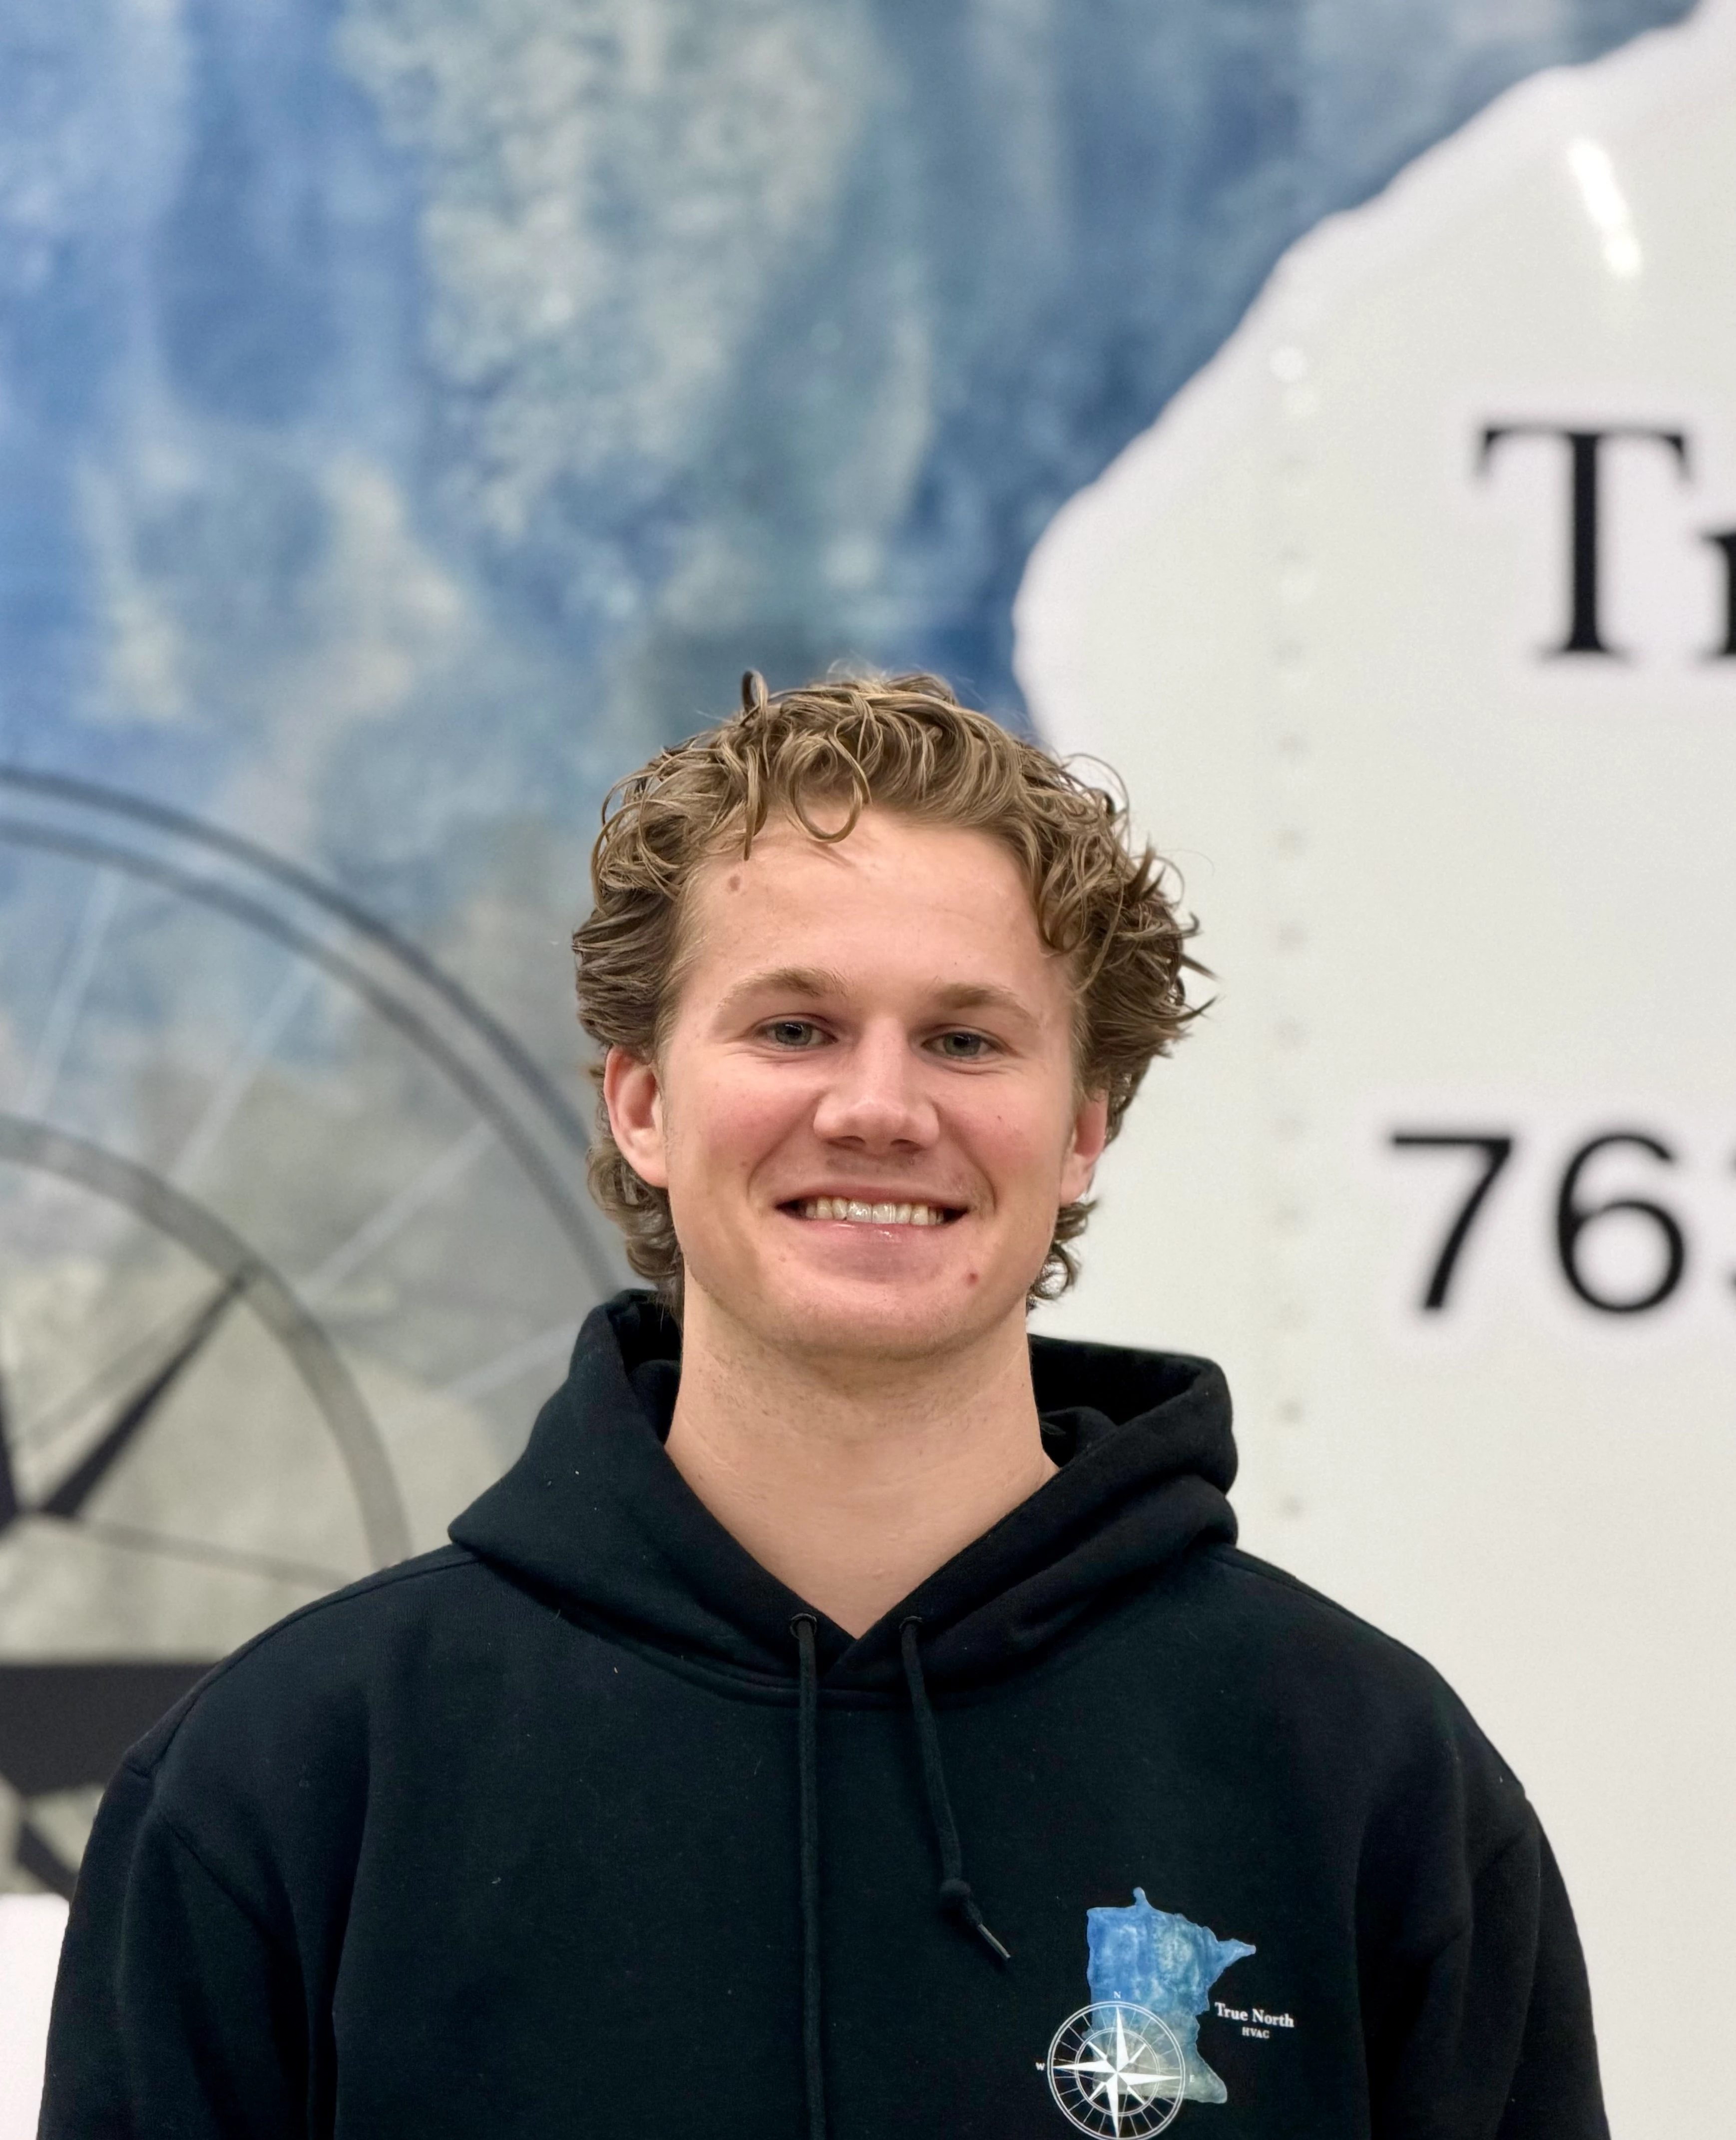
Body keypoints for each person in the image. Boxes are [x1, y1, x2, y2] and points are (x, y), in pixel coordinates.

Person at [41, 672, 1606, 2139]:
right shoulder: (297, 1779)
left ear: (1079, 1130)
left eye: (964, 1038)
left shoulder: (1359, 1778)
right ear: (643, 1103)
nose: (876, 1105)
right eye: (792, 1026)